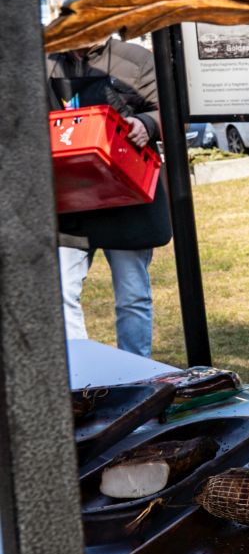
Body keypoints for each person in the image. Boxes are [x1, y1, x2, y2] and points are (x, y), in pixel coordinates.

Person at [47, 36, 172, 358]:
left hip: (127, 196)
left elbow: (172, 111)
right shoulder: (45, 61)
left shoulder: (136, 59)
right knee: (60, 293)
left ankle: (136, 370)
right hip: (71, 198)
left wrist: (146, 123)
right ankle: (81, 371)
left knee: (132, 296)